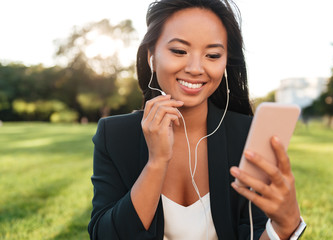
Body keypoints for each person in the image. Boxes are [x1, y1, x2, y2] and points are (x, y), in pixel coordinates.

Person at [88, 0, 306, 239]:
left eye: (212, 55)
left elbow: (254, 232)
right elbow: (104, 235)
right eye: (179, 51)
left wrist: (285, 227)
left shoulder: (247, 136)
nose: (195, 68)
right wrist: (156, 162)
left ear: (225, 62)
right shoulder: (115, 135)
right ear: (152, 55)